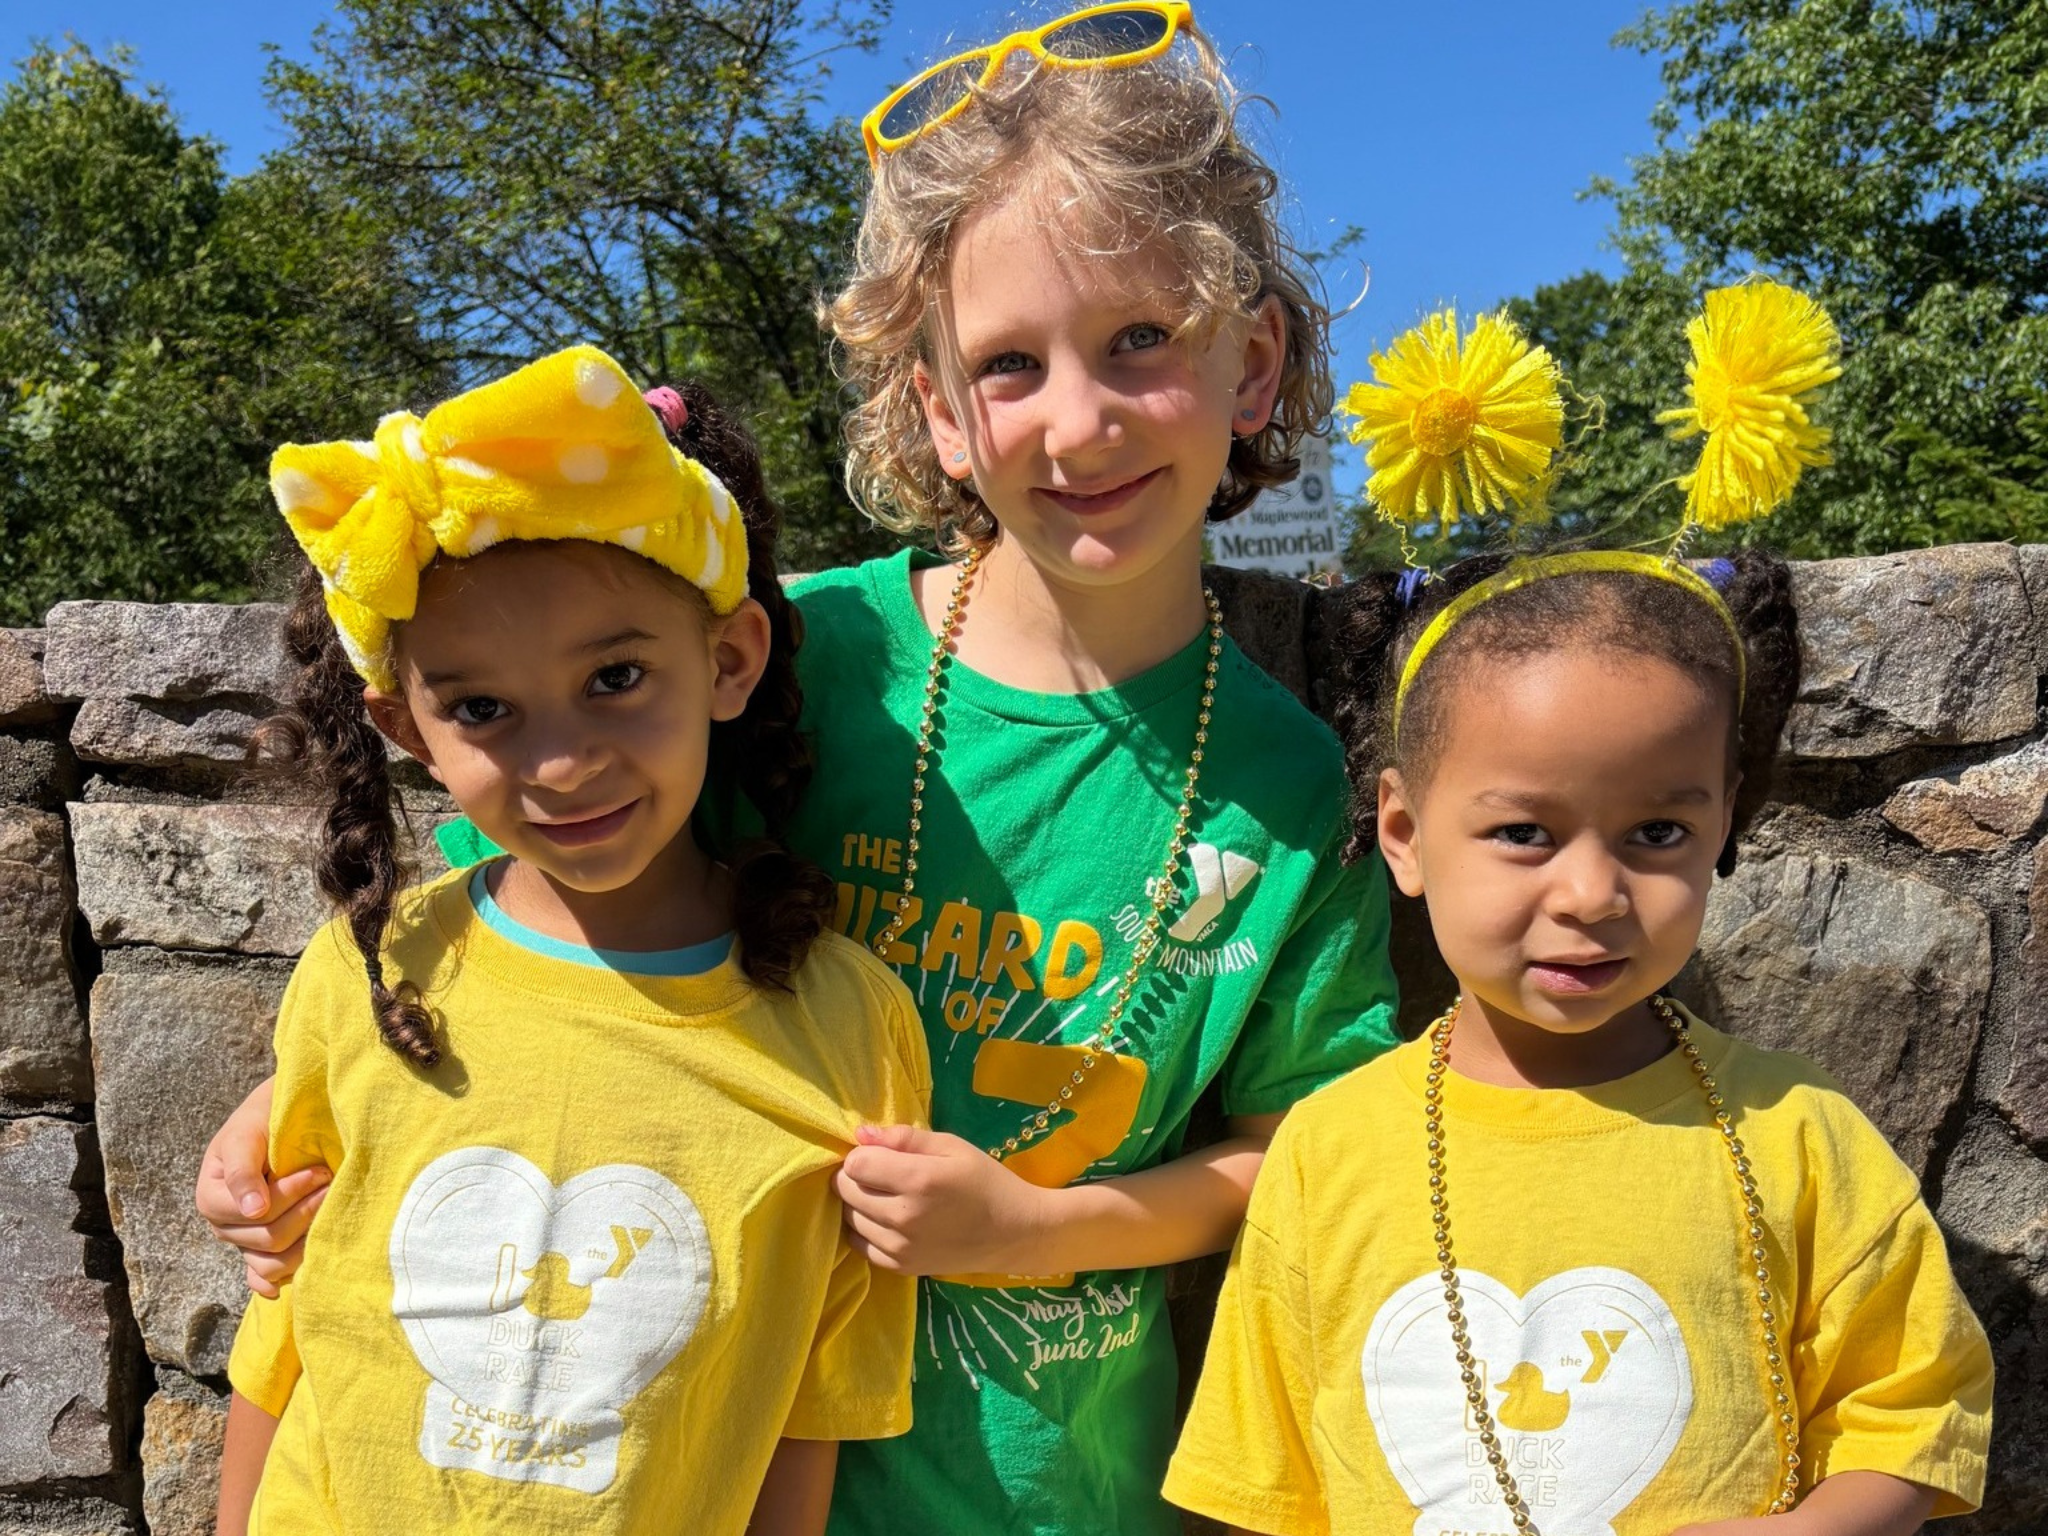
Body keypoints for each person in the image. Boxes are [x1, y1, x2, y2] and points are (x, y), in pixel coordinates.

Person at [197, 6, 1402, 1531]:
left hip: (1042, 1496)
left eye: (1142, 340)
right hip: (688, 1462)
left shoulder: (1292, 785)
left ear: (1255, 361)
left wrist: (1044, 1228)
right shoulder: (789, 659)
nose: (1080, 419)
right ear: (939, 416)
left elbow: (1302, 1146)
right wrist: (278, 1119)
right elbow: (511, 943)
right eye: (1009, 365)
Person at [1165, 292, 1994, 1534]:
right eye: (1521, 834)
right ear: (1401, 835)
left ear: (1723, 828)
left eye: (1656, 834)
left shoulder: (1802, 1141)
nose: (1591, 893)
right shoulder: (1325, 1158)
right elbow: (1260, 1485)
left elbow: (1915, 1415)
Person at [212, 348, 929, 1536]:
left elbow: (812, 1410)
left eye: (615, 676)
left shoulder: (848, 1029)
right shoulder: (366, 975)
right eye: (482, 708)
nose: (560, 763)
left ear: (730, 659)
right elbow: (283, 1337)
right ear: (406, 726)